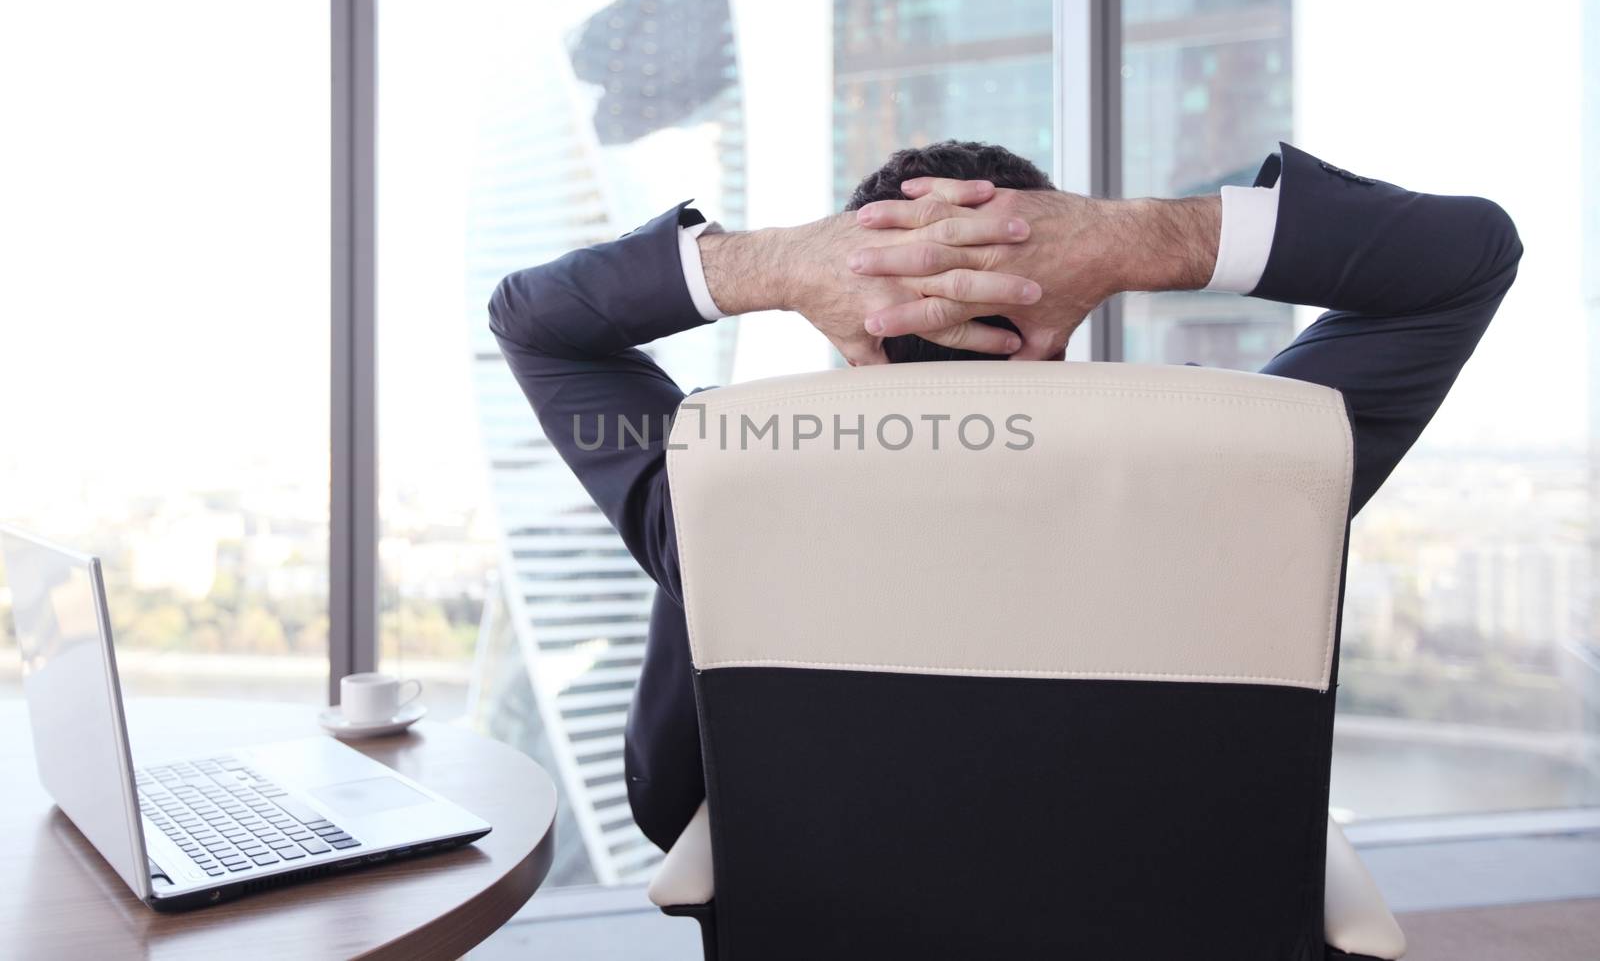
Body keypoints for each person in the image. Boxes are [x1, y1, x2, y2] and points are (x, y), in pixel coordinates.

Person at [487, 139, 1522, 852]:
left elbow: (532, 318)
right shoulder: (1252, 464)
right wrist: (1136, 240)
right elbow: (1464, 256)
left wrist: (774, 262)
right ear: (1062, 307)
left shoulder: (723, 471)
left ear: (852, 308)